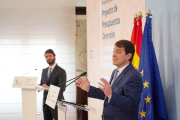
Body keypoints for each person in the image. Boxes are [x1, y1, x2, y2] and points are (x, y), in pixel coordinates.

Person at [75, 40, 143, 120]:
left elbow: (131, 104)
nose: (113, 55)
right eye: (113, 51)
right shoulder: (115, 72)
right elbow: (107, 95)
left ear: (128, 56)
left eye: (118, 52)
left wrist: (111, 94)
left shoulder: (133, 76)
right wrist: (89, 88)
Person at [38, 49, 66, 120]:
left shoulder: (61, 71)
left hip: (56, 101)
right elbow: (42, 84)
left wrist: (49, 88)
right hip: (45, 102)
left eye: (50, 56)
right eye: (46, 57)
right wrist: (39, 86)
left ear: (54, 56)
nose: (48, 58)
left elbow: (62, 88)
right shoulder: (44, 71)